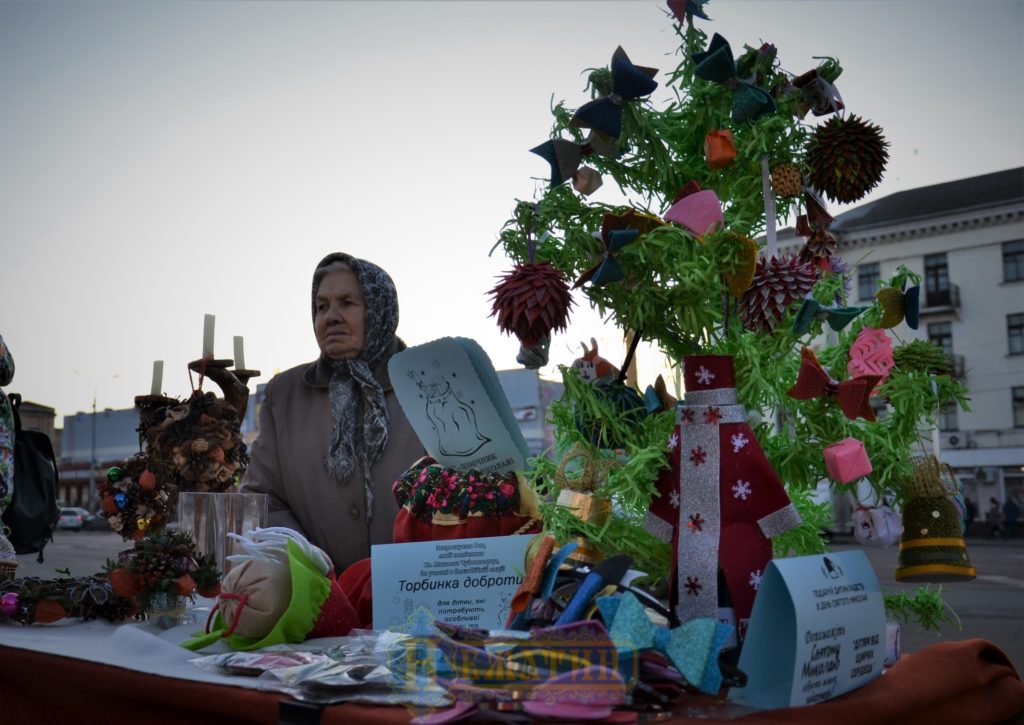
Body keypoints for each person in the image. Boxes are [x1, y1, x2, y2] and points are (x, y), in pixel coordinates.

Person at [240, 253, 424, 572]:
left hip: (422, 591)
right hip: (320, 598)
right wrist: (312, 568)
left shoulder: (427, 383)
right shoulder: (285, 395)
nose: (331, 317)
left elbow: (470, 491)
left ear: (379, 309)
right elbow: (263, 500)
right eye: (321, 306)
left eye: (347, 303)